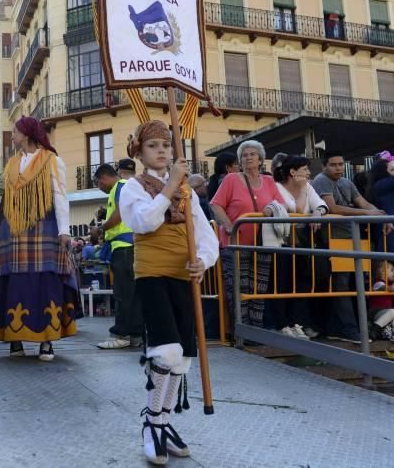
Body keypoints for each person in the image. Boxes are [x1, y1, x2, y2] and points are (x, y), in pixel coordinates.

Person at [118, 120, 219, 465]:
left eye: (165, 144)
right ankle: (152, 423)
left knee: (184, 357)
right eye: (152, 146)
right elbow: (143, 222)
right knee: (166, 350)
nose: (161, 150)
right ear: (140, 153)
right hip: (152, 274)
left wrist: (202, 261)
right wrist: (171, 186)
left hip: (183, 276)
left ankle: (164, 422)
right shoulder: (132, 187)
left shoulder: (187, 193)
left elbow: (207, 237)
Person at [0, 116, 78, 361]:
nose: (12, 136)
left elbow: (60, 194)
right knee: (12, 282)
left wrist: (64, 230)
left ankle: (46, 342)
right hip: (12, 231)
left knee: (45, 281)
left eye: (15, 132)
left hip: (43, 227)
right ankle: (14, 339)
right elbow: (8, 199)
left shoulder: (52, 160)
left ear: (26, 134)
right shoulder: (11, 164)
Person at [311, 150, 386, 344]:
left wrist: (379, 214)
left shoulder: (346, 182)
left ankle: (351, 327)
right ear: (324, 166)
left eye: (340, 164)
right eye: (333, 164)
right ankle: (348, 329)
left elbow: (363, 202)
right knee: (342, 285)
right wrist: (366, 213)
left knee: (354, 284)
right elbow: (333, 208)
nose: (338, 168)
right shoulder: (320, 180)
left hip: (352, 237)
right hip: (333, 238)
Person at [210, 140, 285, 328]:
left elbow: (281, 204)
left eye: (252, 154)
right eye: (244, 155)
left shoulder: (268, 181)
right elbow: (215, 204)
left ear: (260, 159)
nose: (248, 157)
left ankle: (256, 330)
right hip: (235, 243)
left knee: (258, 288)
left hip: (262, 243)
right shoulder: (231, 179)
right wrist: (228, 226)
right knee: (238, 287)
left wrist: (270, 207)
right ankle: (242, 331)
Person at [271, 155, 328, 340]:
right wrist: (303, 189)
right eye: (305, 170)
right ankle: (282, 323)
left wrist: (318, 212)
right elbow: (296, 209)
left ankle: (299, 322)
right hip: (282, 242)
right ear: (292, 172)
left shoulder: (308, 187)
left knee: (301, 283)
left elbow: (321, 204)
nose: (309, 173)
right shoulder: (277, 187)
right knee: (283, 283)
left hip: (302, 241)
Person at [94, 163, 142, 350]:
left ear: (102, 178)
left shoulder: (120, 187)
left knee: (123, 294)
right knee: (133, 294)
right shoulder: (124, 187)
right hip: (128, 247)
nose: (100, 188)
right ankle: (136, 334)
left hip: (124, 248)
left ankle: (121, 334)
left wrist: (100, 228)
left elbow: (120, 214)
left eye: (98, 184)